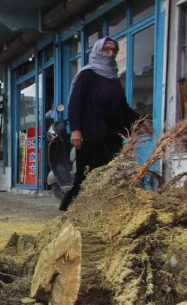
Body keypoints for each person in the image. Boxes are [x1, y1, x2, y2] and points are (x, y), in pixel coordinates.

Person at [60, 37, 144, 211]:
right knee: (87, 176)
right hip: (90, 136)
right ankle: (73, 211)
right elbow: (75, 103)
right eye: (106, 50)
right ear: (98, 51)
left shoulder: (112, 78)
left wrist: (140, 121)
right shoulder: (87, 75)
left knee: (111, 175)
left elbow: (122, 107)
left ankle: (103, 212)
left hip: (111, 136)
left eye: (114, 51)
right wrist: (75, 130)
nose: (110, 54)